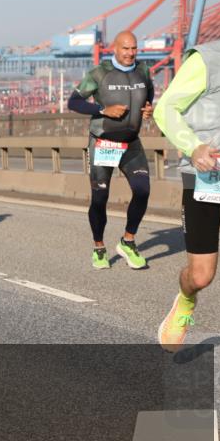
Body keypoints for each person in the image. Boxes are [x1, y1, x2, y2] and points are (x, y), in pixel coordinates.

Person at [153, 1, 220, 352]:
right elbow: (165, 108)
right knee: (201, 275)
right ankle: (185, 301)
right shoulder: (207, 58)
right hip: (208, 174)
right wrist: (194, 147)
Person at [68, 31, 154, 270]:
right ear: (115, 49)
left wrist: (148, 109)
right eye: (125, 48)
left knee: (142, 190)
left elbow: (149, 95)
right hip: (103, 143)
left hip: (131, 143)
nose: (130, 53)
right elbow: (73, 102)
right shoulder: (99, 73)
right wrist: (103, 110)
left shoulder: (143, 71)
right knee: (100, 198)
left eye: (134, 48)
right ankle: (99, 247)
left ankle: (128, 242)